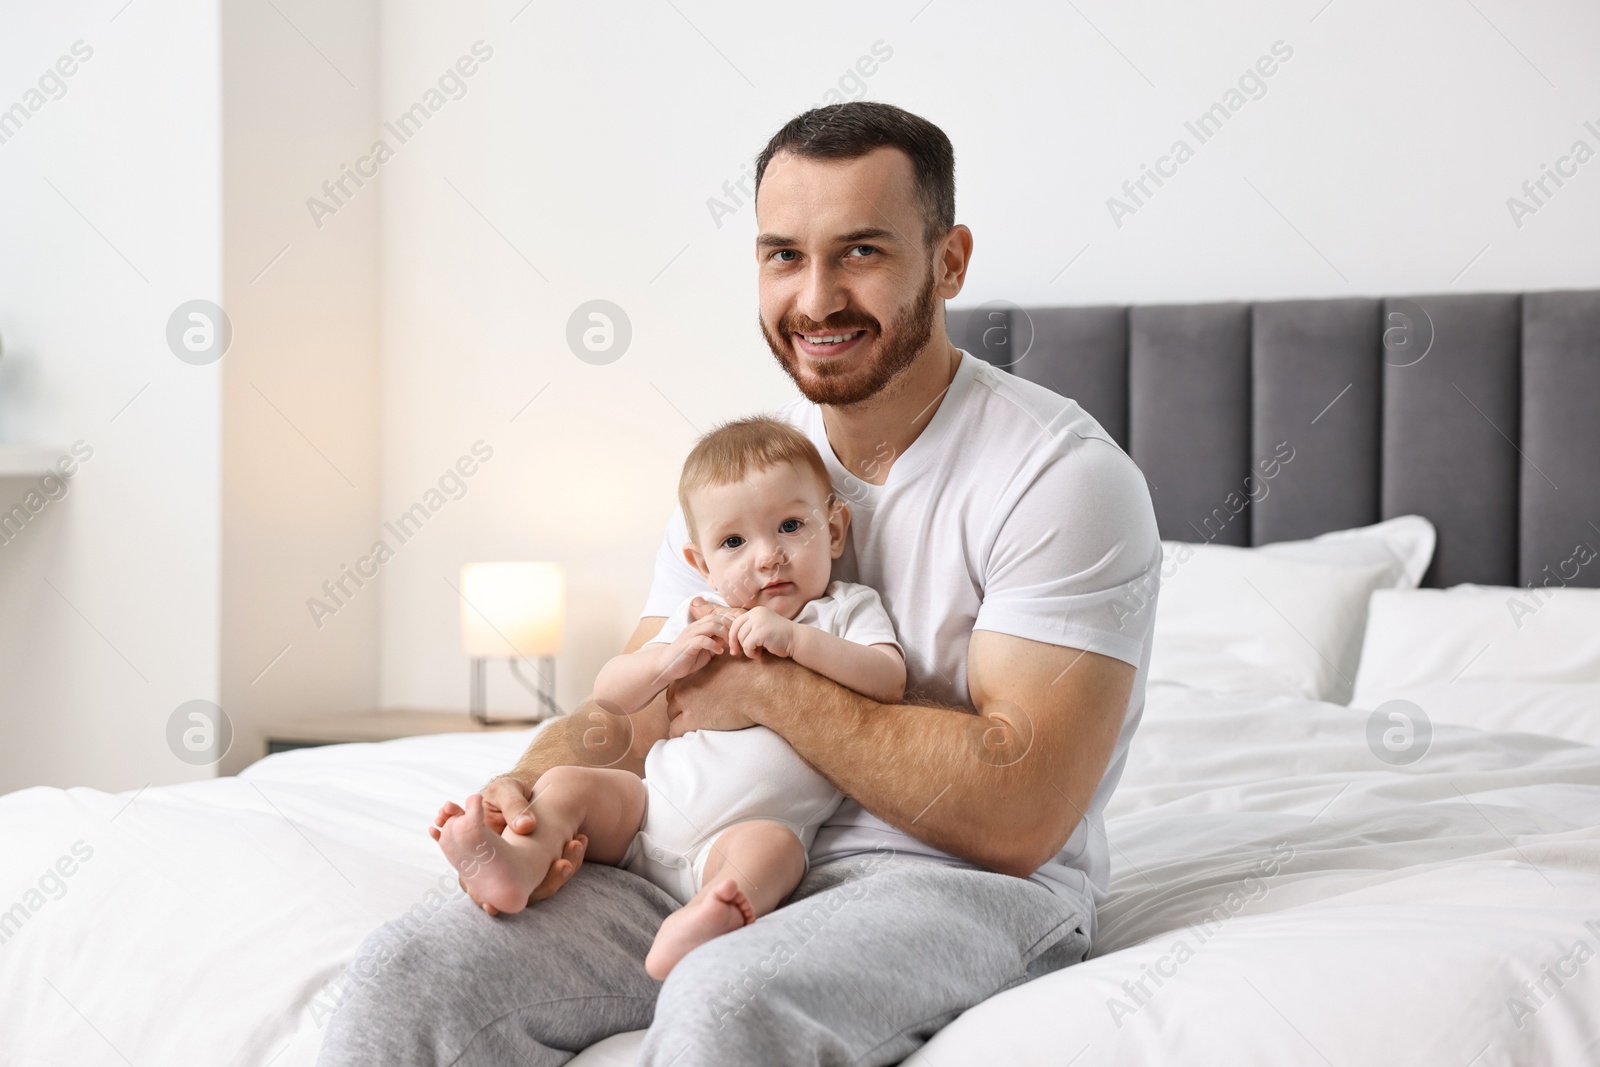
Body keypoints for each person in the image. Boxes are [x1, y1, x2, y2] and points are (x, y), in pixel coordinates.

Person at [319, 100, 1161, 1067]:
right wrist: (527, 781)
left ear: (951, 260)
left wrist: (765, 683)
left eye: (862, 252)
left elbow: (1020, 812)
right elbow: (639, 705)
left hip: (951, 881)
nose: (816, 299)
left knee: (726, 1002)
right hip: (692, 850)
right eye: (783, 256)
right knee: (408, 969)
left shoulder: (1060, 477)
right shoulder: (748, 476)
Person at [432, 415, 905, 980]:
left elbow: (887, 679)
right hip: (646, 814)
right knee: (568, 784)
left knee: (775, 851)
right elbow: (609, 694)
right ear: (702, 566)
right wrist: (666, 660)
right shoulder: (697, 616)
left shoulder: (845, 609)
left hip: (736, 839)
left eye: (789, 526)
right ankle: (518, 863)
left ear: (833, 530)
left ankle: (708, 917)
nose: (767, 557)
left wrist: (799, 641)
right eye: (734, 542)